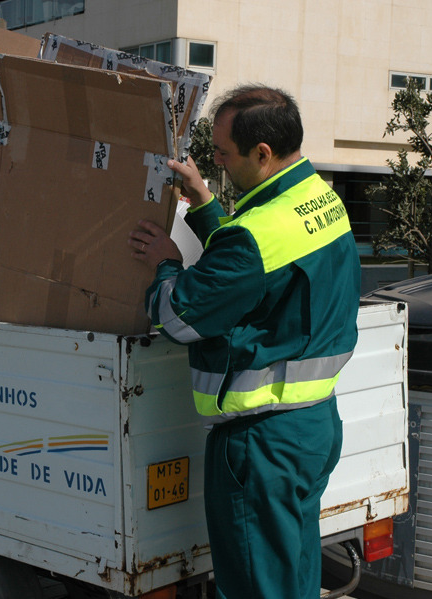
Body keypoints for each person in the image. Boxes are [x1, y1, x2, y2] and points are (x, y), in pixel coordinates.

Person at [128, 84, 361, 599]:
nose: (216, 162)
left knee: (257, 587)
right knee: (292, 579)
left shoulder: (254, 237)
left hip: (261, 446)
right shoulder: (319, 198)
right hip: (312, 428)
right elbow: (256, 268)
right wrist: (205, 203)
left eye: (223, 154)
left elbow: (177, 316)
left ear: (262, 153)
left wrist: (167, 263)